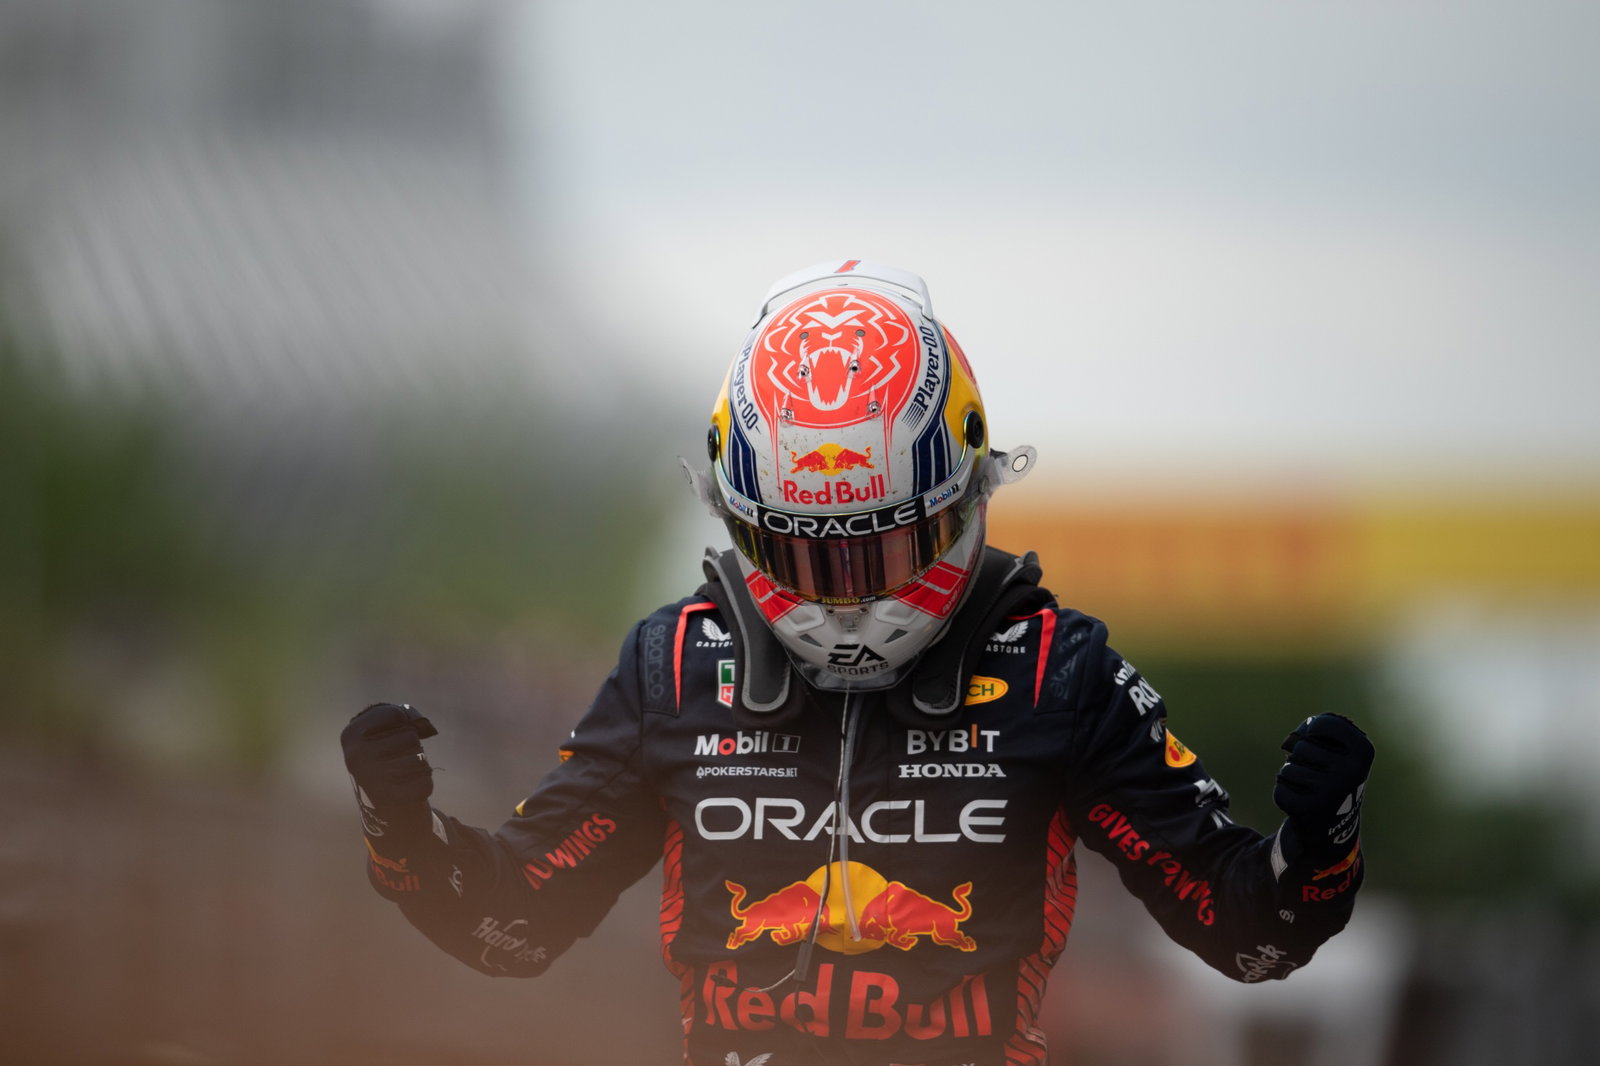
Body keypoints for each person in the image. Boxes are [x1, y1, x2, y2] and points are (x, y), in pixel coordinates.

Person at [341, 259, 1375, 1066]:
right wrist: (408, 836)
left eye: (875, 548)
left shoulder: (1056, 668)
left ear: (962, 496)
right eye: (802, 552)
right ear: (741, 523)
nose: (844, 592)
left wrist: (1315, 845)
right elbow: (516, 924)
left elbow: (1250, 934)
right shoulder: (673, 666)